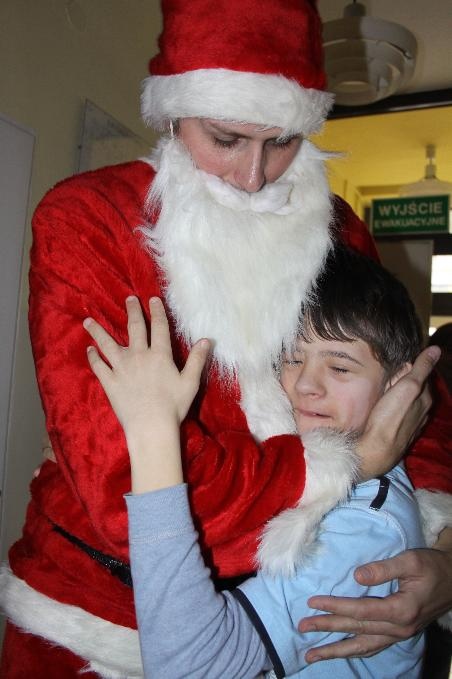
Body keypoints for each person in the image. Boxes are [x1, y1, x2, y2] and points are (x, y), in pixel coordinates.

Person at [1, 1, 451, 677]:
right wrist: (348, 463)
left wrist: (446, 554)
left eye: (283, 141)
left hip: (295, 618)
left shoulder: (339, 227)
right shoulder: (87, 220)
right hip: (95, 623)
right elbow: (124, 489)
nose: (255, 175)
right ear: (173, 113)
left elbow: (414, 393)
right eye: (226, 138)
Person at [85, 245, 427, 677]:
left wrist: (153, 430)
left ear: (399, 387)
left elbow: (193, 668)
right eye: (292, 358)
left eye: (340, 368)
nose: (305, 384)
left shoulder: (366, 526)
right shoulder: (297, 457)